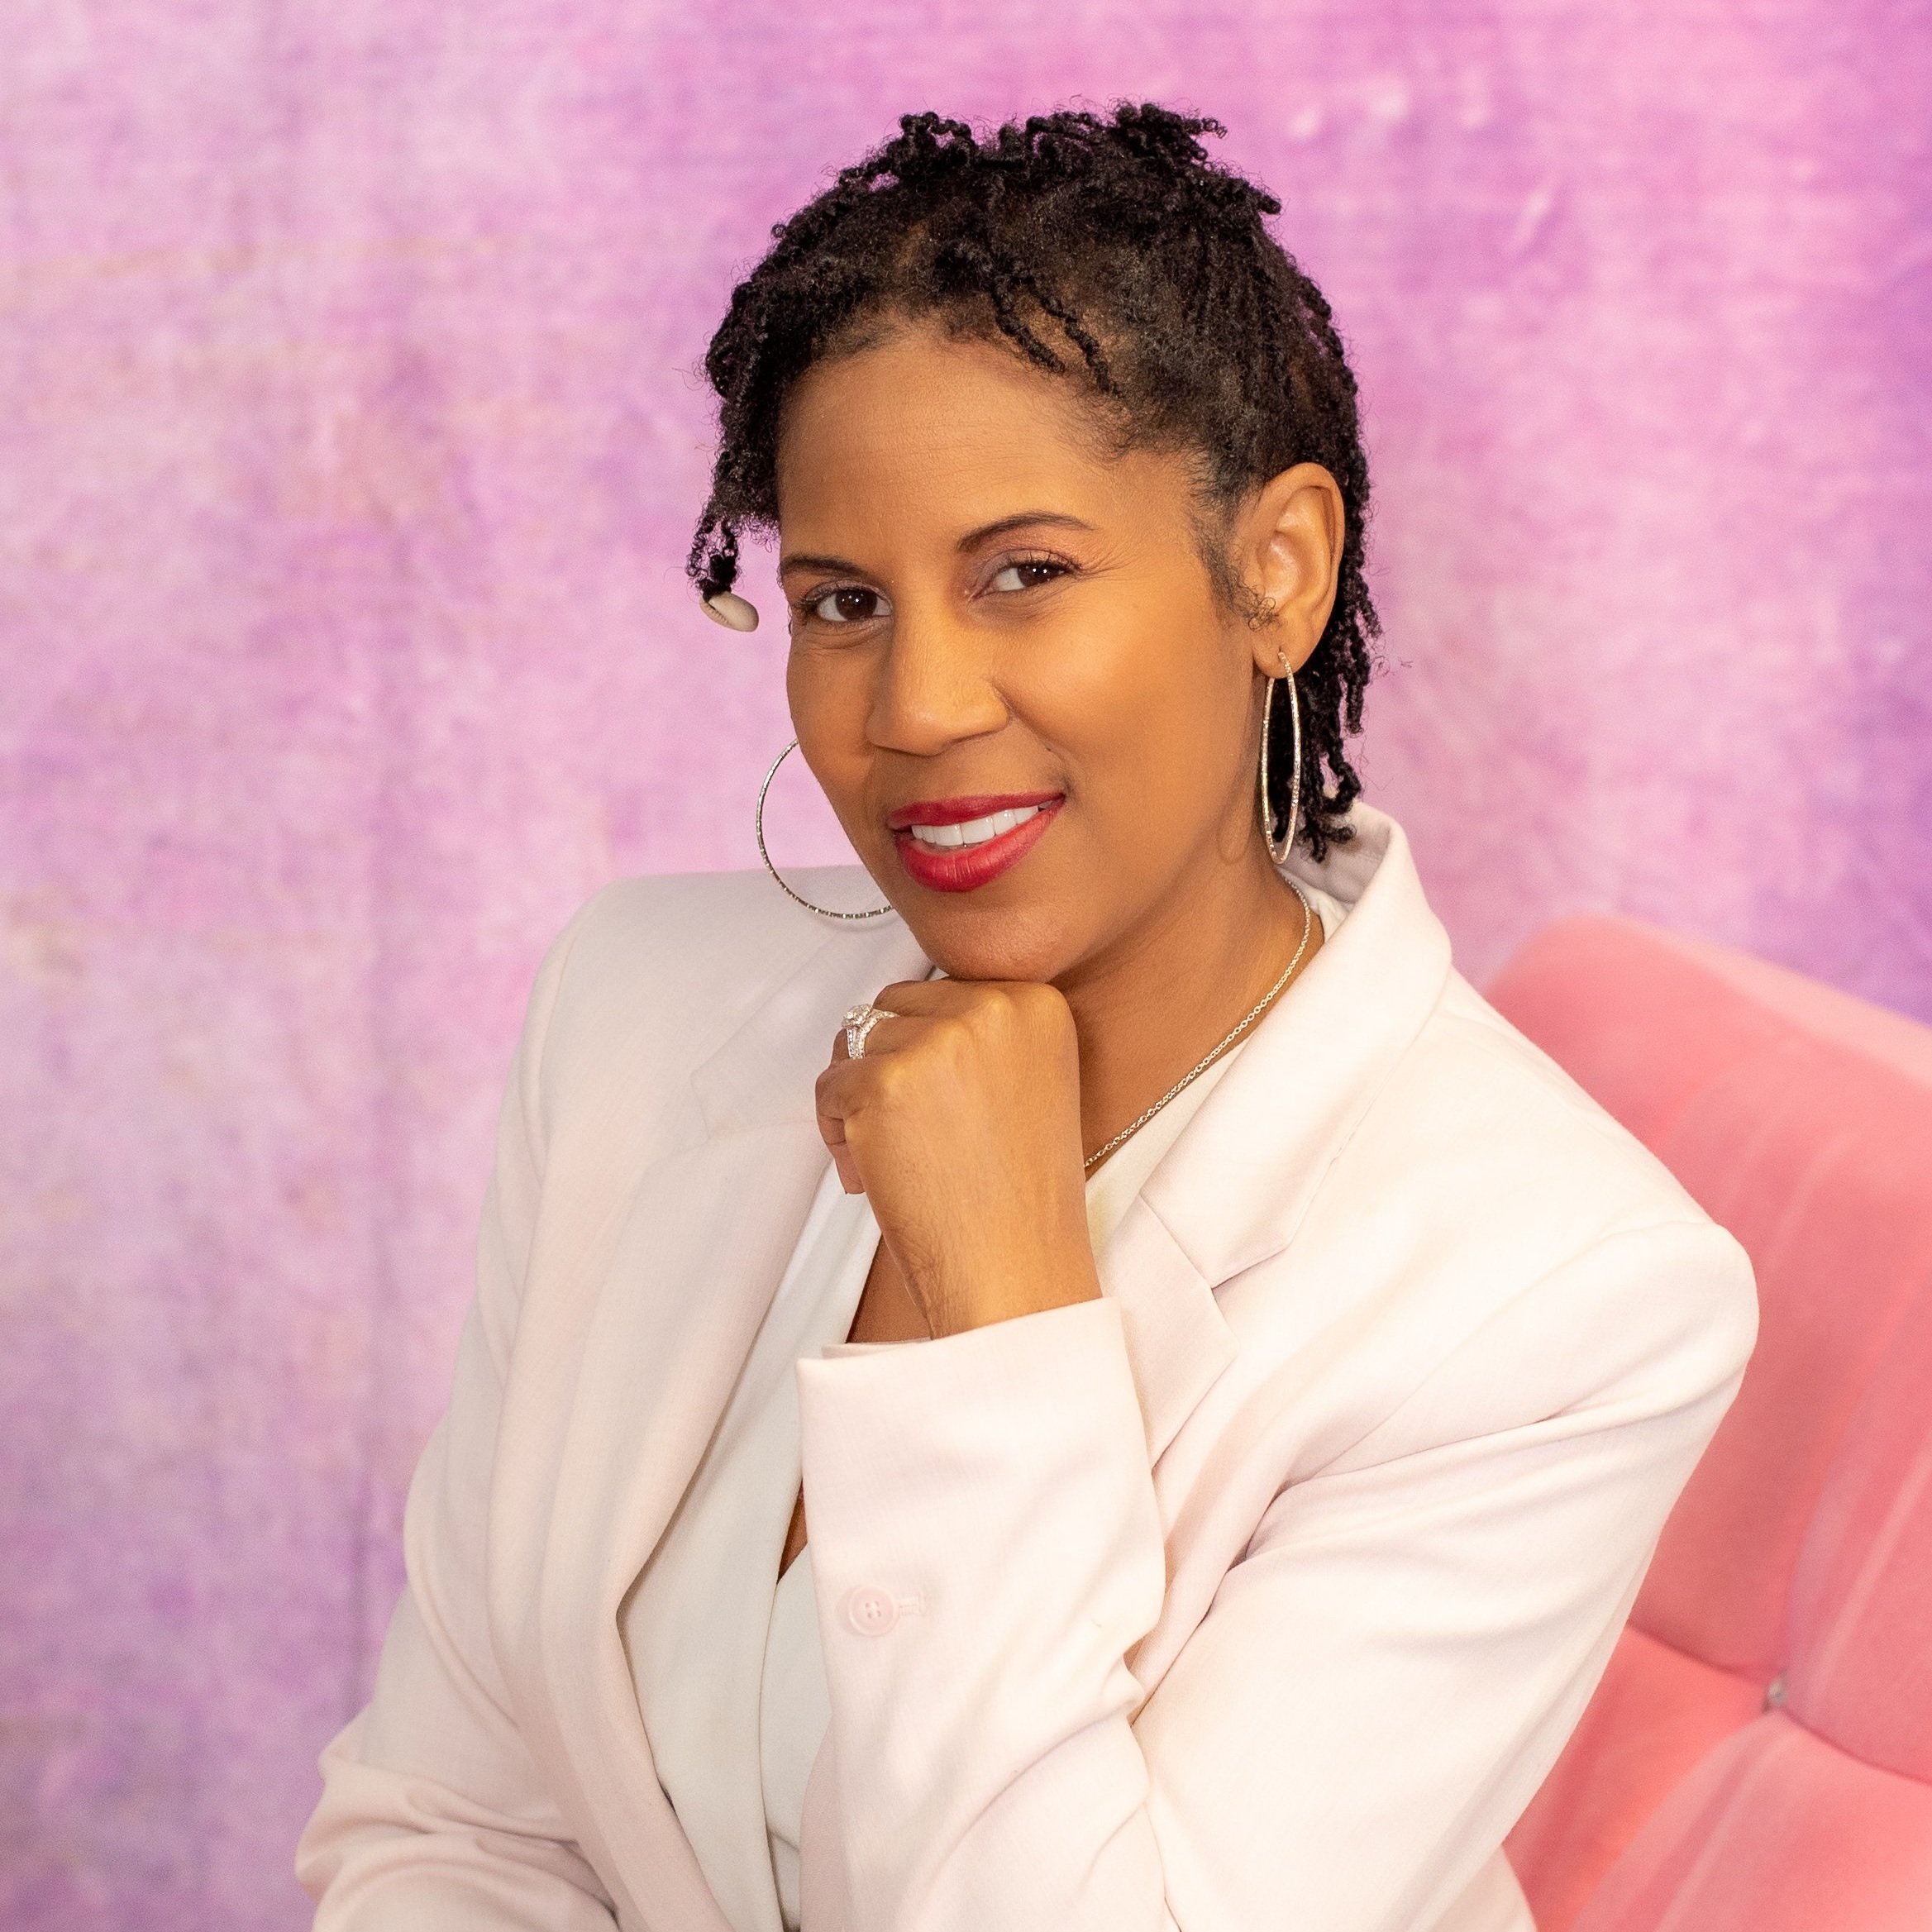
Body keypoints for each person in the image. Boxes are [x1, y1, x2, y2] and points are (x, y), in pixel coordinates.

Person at [295, 103, 1758, 1932]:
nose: (913, 706)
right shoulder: (630, 1013)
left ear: (1277, 568)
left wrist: (999, 1297)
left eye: (1023, 573)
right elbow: (454, 1825)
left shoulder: (1558, 1294)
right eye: (842, 601)